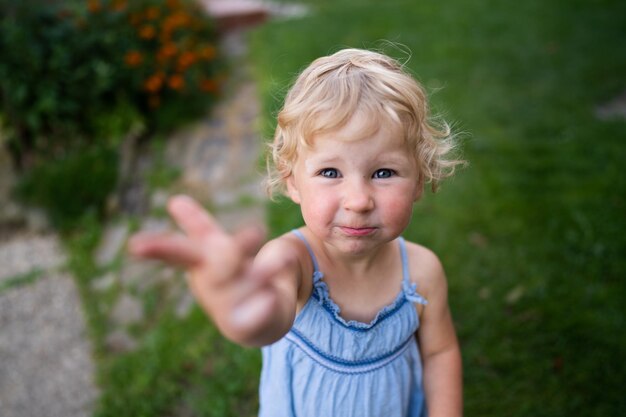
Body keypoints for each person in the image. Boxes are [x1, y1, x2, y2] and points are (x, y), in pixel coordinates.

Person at [129, 48, 464, 417]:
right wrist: (243, 313)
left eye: (383, 173)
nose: (358, 200)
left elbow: (439, 352)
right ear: (292, 182)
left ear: (419, 179)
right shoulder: (290, 261)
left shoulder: (422, 272)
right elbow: (268, 322)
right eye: (330, 173)